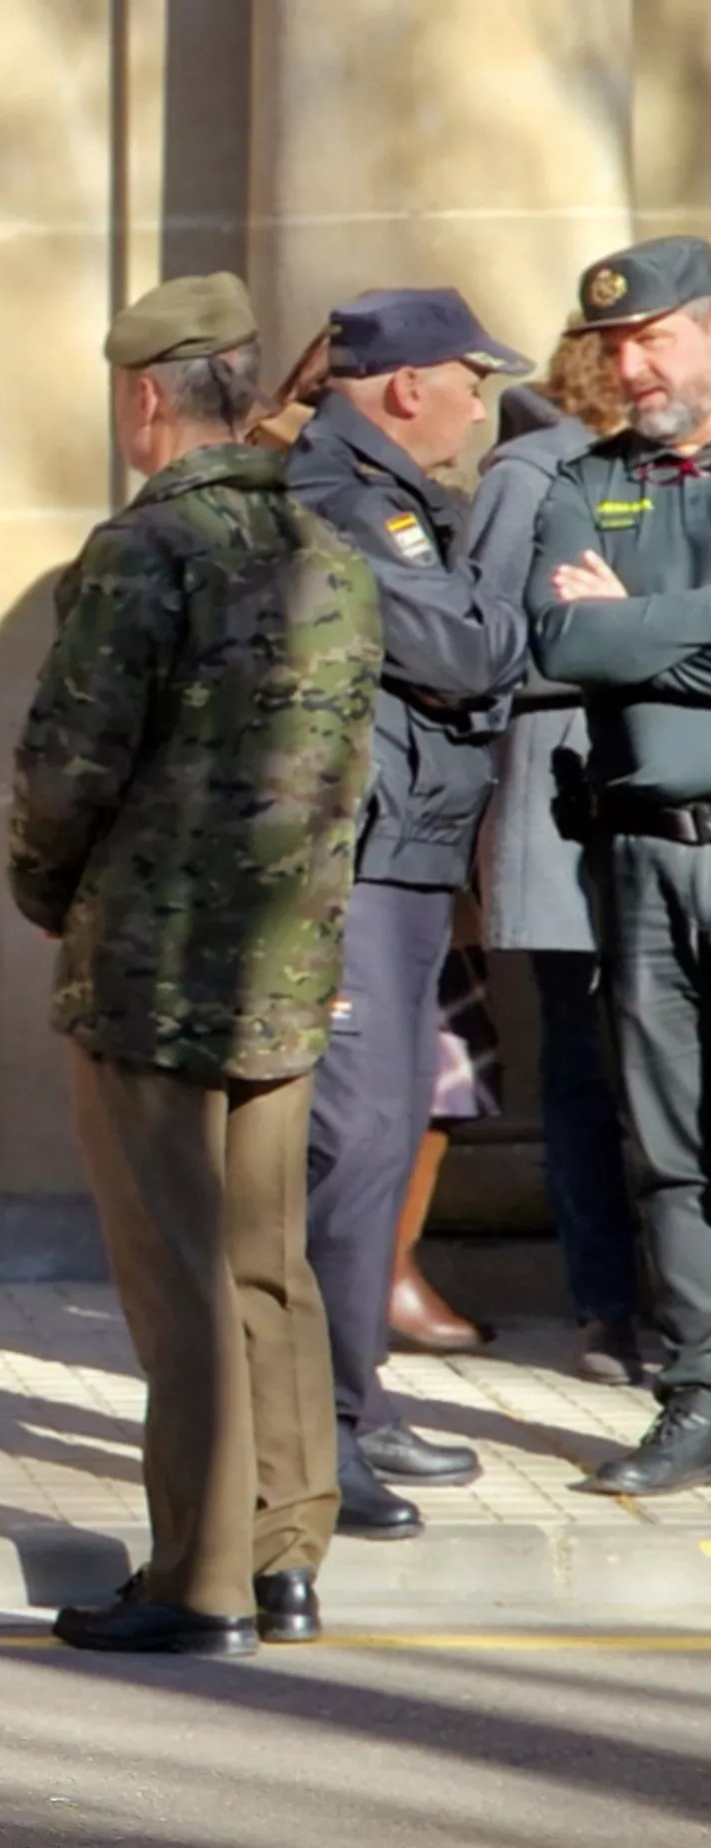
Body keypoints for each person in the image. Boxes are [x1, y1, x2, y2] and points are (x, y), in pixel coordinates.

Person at [12, 272, 378, 1653]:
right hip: (282, 962)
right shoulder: (329, 549)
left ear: (145, 398)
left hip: (154, 970)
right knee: (268, 1267)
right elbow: (350, 773)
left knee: (183, 1280)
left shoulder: (145, 551)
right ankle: (287, 1556)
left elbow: (66, 768)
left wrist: (47, 894)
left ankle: (198, 1579)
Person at [283, 287, 531, 1537]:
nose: (479, 412)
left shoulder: (394, 497)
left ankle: (356, 1403)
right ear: (405, 387)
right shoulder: (343, 499)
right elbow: (471, 652)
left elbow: (465, 650)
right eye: (471, 385)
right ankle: (323, 1431)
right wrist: (520, 614)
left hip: (411, 853)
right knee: (356, 1139)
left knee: (380, 1137)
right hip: (361, 861)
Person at [530, 234, 711, 1498]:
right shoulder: (586, 481)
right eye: (612, 348)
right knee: (666, 1144)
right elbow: (558, 640)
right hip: (639, 855)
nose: (628, 368)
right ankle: (698, 1393)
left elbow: (604, 636)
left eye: (651, 340)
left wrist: (628, 625)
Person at [471, 345, 645, 1387]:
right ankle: (604, 1306)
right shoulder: (531, 472)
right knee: (579, 1066)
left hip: (674, 792)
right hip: (562, 788)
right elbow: (480, 636)